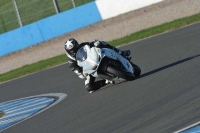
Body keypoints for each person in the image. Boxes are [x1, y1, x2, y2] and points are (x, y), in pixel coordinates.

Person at [64, 38, 131, 93]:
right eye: (71, 50)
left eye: (74, 48)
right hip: (89, 69)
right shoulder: (71, 61)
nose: (74, 51)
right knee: (89, 87)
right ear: (68, 51)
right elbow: (77, 71)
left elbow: (91, 43)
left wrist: (96, 43)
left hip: (95, 58)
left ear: (77, 45)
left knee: (102, 43)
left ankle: (120, 52)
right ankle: (106, 81)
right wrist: (81, 73)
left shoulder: (83, 45)